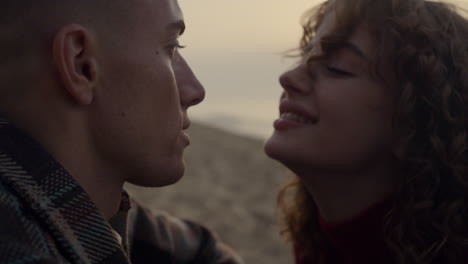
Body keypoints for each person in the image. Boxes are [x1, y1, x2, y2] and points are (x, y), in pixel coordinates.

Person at [0, 0, 242, 263]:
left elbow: (205, 251)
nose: (196, 91)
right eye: (171, 48)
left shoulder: (82, 207)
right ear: (81, 65)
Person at [264, 0, 468, 263]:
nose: (289, 77)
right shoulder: (317, 244)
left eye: (337, 67)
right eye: (305, 54)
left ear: (414, 123)